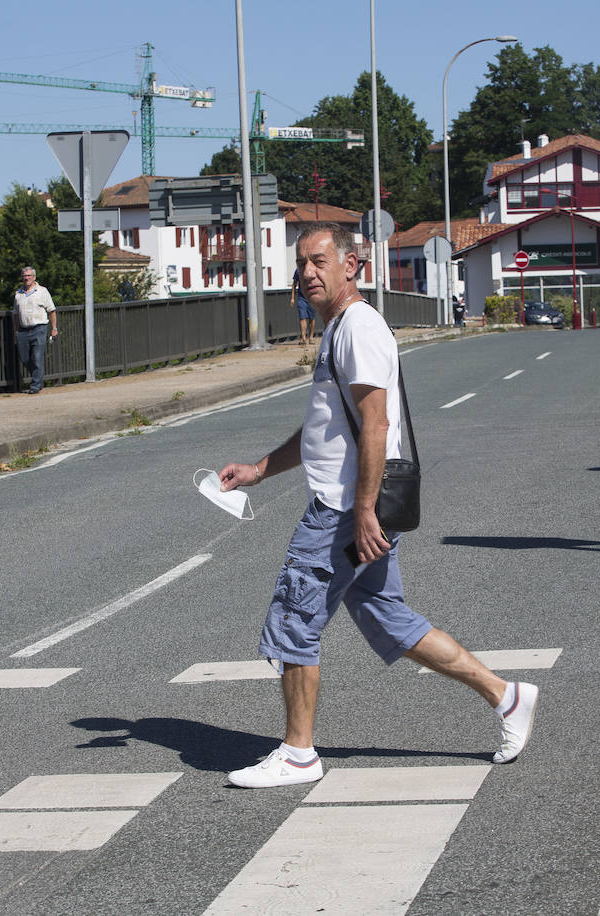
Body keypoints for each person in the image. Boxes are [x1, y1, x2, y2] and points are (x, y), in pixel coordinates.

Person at [217, 222, 538, 788]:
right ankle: (506, 697)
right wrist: (261, 470)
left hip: (342, 509)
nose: (308, 273)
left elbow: (375, 424)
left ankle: (298, 753)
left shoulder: (358, 328)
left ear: (352, 266)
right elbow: (327, 429)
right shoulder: (338, 329)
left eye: (320, 261)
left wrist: (363, 511)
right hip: (352, 504)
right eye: (303, 264)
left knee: (294, 618)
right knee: (389, 621)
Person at [13, 266, 57, 394]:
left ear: (34, 277)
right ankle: (38, 378)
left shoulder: (42, 291)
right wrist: (16, 330)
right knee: (24, 357)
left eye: (29, 276)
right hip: (23, 330)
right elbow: (15, 314)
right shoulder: (18, 294)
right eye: (24, 276)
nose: (26, 278)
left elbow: (51, 310)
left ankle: (35, 385)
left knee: (37, 357)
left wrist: (54, 328)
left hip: (39, 328)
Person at [290, 268, 315, 346]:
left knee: (312, 318)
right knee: (302, 317)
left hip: (311, 297)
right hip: (301, 298)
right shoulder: (298, 270)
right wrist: (292, 298)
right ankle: (303, 338)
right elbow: (294, 284)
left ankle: (311, 337)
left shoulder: (313, 269)